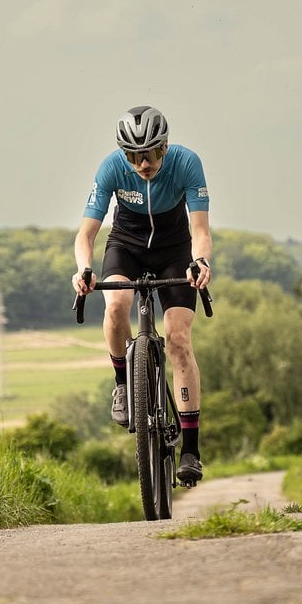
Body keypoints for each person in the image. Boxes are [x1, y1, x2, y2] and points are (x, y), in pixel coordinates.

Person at [71, 105, 212, 483]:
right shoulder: (111, 168)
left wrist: (200, 262)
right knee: (116, 305)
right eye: (134, 155)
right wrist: (83, 269)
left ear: (165, 147)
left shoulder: (187, 163)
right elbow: (86, 235)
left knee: (179, 339)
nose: (143, 163)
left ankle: (191, 450)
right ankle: (122, 386)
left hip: (174, 249)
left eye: (150, 153)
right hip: (127, 244)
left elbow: (200, 230)